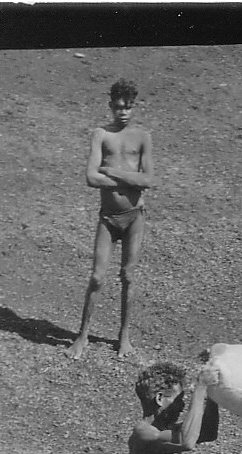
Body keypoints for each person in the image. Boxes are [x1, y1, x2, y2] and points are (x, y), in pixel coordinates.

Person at [69, 80, 156, 360]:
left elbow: (149, 180)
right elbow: (90, 177)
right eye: (118, 107)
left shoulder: (142, 137)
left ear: (135, 107)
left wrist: (115, 173)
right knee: (96, 277)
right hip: (108, 218)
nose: (123, 113)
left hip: (134, 218)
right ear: (111, 107)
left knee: (128, 276)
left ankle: (124, 338)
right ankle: (82, 336)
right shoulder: (101, 135)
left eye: (128, 107)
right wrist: (129, 181)